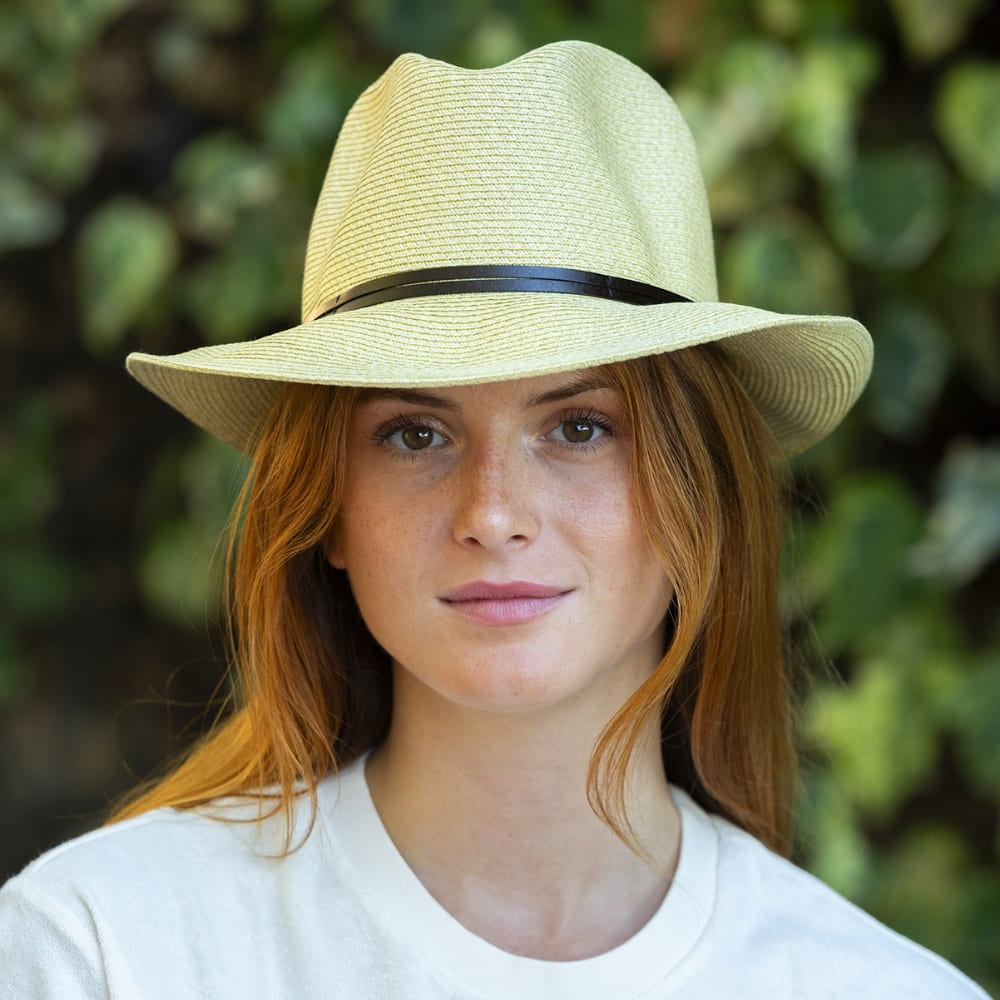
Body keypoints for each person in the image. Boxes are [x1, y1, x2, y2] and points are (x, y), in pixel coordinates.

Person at [0, 40, 988, 999]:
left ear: (702, 492)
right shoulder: (98, 954)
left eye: (579, 426)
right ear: (329, 511)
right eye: (414, 435)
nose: (495, 512)